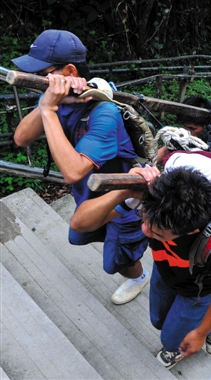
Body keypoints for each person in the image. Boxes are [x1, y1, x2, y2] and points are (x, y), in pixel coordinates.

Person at [12, 29, 149, 305]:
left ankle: (139, 275)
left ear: (70, 71)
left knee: (116, 262)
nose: (38, 81)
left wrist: (49, 109)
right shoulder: (59, 97)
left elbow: (73, 171)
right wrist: (48, 103)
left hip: (122, 204)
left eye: (43, 73)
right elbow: (21, 138)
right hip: (88, 198)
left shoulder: (104, 113)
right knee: (78, 236)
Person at [70, 152, 211, 369]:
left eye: (158, 234)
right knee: (158, 321)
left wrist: (200, 333)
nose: (145, 231)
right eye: (144, 220)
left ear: (191, 230)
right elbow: (79, 224)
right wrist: (124, 192)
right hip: (165, 272)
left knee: (171, 341)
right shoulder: (156, 200)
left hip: (197, 291)